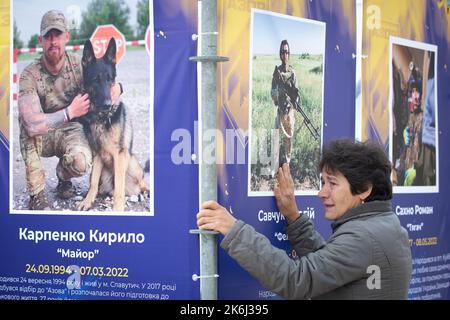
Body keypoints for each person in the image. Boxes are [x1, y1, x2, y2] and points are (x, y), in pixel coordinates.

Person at [197, 139, 412, 299]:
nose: (322, 193)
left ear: (364, 189)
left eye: (332, 184)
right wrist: (294, 218)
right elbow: (329, 268)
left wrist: (234, 230)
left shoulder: (363, 237)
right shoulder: (381, 224)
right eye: (322, 182)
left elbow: (296, 279)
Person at [18, 10, 121, 210]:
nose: (53, 41)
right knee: (27, 129)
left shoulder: (79, 64)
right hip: (41, 135)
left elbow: (104, 80)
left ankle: (63, 177)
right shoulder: (29, 74)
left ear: (67, 37)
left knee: (81, 162)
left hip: (69, 131)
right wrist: (69, 112)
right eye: (47, 36)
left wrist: (118, 88)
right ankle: (37, 193)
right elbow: (31, 125)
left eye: (57, 35)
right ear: (41, 40)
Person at [270, 40, 300, 171]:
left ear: (289, 54)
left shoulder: (293, 73)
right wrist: (278, 93)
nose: (284, 54)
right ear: (280, 54)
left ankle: (287, 164)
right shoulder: (276, 72)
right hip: (280, 111)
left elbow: (297, 91)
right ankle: (274, 166)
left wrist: (296, 100)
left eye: (286, 52)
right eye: (282, 52)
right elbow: (272, 92)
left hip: (290, 111)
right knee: (275, 137)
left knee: (289, 139)